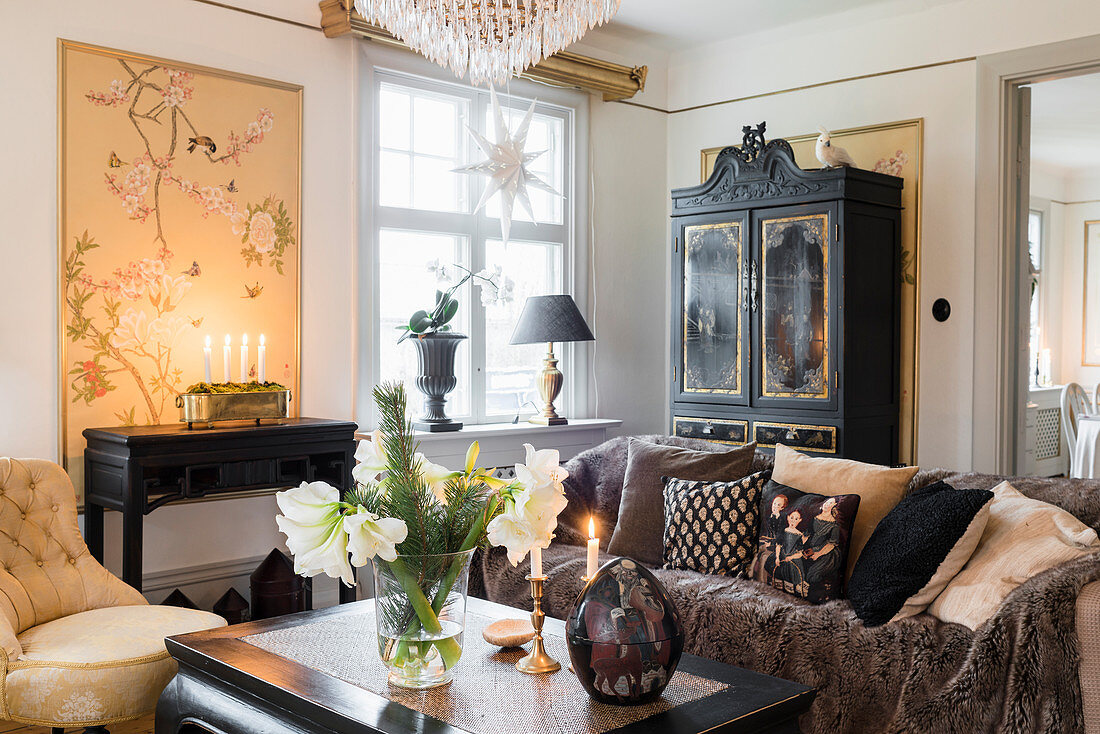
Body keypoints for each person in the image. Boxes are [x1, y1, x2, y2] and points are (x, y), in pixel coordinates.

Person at [803, 497, 843, 601]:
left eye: (830, 503)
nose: (826, 504)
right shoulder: (815, 518)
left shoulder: (834, 525)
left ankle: (814, 598)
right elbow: (807, 534)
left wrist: (817, 554)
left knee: (814, 573)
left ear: (834, 506)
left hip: (827, 553)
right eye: (826, 502)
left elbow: (831, 544)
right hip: (811, 549)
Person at [756, 493, 789, 582]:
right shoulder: (771, 517)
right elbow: (770, 533)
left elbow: (781, 537)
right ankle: (750, 575)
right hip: (770, 543)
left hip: (780, 547)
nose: (775, 506)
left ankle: (761, 582)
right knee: (756, 549)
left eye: (778, 505)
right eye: (774, 503)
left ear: (782, 508)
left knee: (764, 556)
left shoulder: (783, 519)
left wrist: (771, 543)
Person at [778, 509, 809, 597]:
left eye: (796, 519)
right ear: (788, 518)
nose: (793, 521)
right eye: (791, 518)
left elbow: (800, 553)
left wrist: (791, 557)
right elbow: (778, 545)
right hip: (782, 556)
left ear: (799, 521)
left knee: (794, 570)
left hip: (793, 559)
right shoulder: (784, 531)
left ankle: (795, 591)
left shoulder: (799, 535)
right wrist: (777, 557)